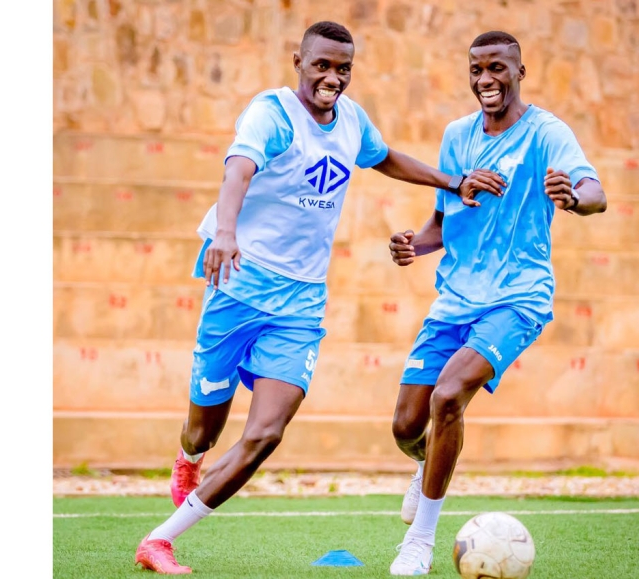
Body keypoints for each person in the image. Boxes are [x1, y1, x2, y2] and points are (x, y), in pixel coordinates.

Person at [133, 21, 506, 575]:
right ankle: (189, 458)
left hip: (301, 304)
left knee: (264, 433)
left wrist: (452, 182)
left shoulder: (351, 121)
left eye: (343, 68)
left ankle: (158, 542)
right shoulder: (272, 114)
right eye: (322, 65)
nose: (333, 77)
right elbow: (238, 172)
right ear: (298, 62)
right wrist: (226, 233)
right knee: (203, 429)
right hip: (238, 284)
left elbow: (384, 157)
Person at [385, 30, 607, 575]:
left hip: (517, 298)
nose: (486, 80)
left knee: (450, 394)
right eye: (477, 70)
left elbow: (596, 192)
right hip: (454, 299)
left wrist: (574, 200)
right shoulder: (456, 136)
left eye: (497, 69)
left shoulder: (547, 133)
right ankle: (425, 465)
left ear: (519, 72)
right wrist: (415, 244)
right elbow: (443, 222)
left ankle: (420, 539)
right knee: (406, 427)